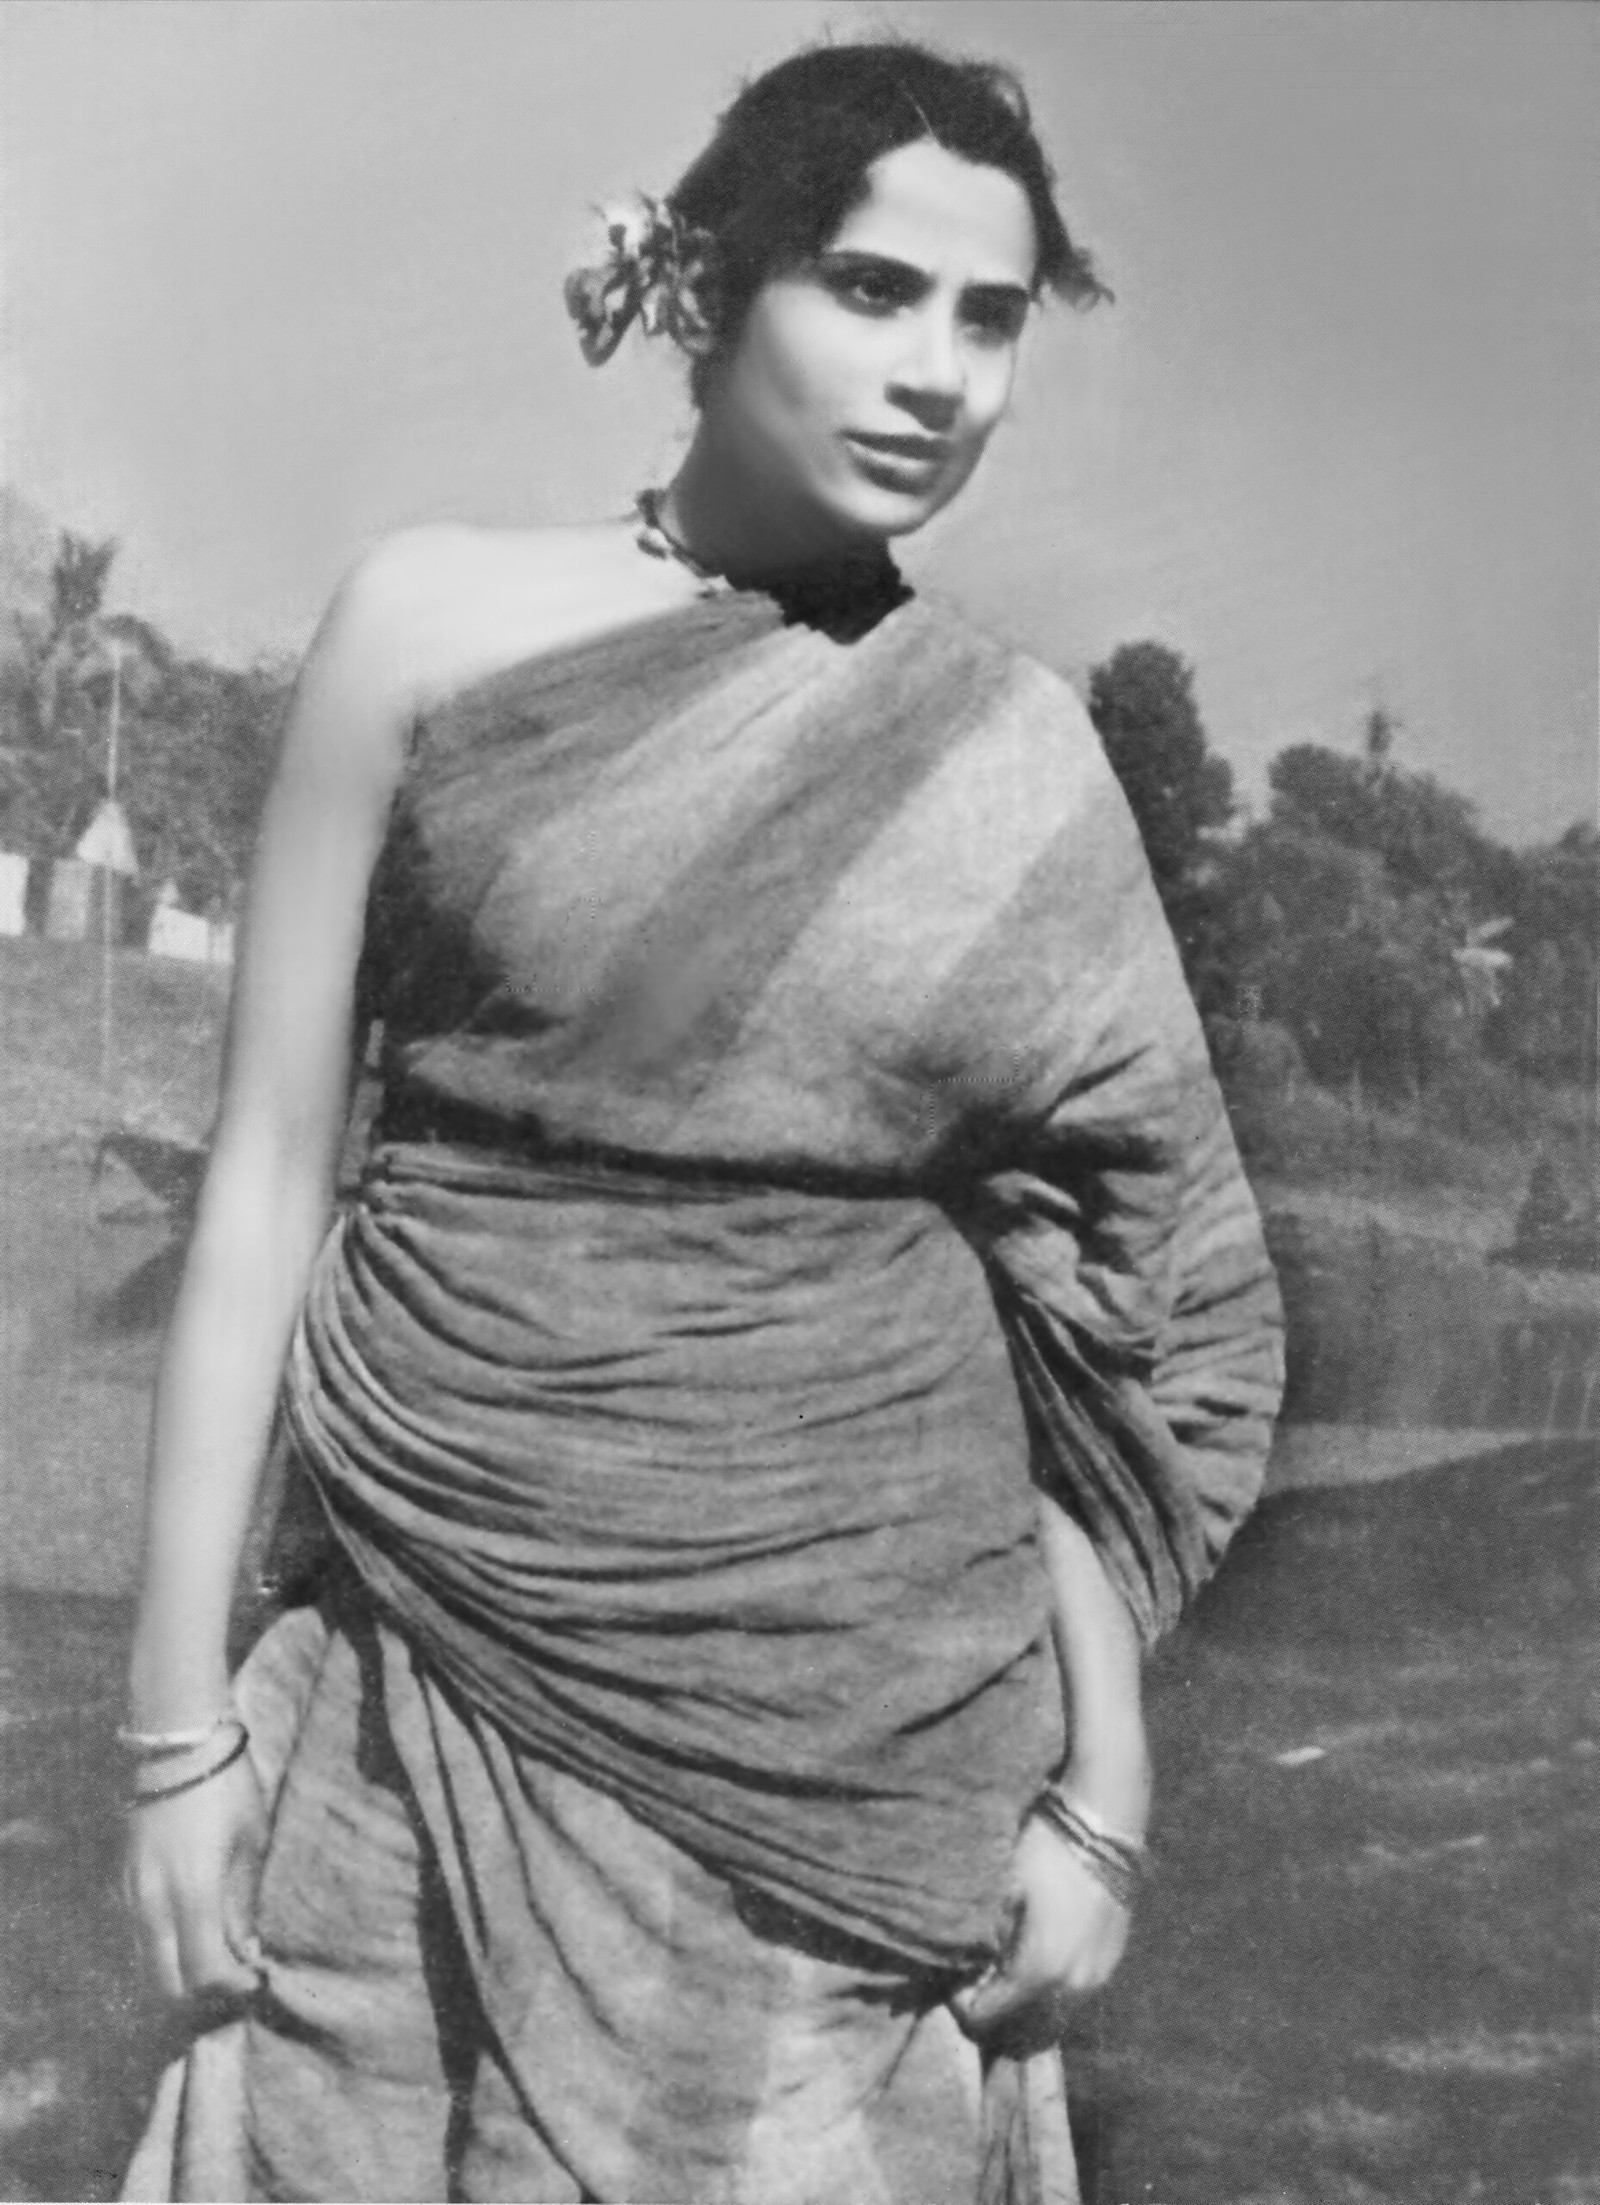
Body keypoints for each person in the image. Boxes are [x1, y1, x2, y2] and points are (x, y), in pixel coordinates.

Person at [121, 39, 1283, 2204]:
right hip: (407, 1676)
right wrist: (176, 1729)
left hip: (853, 1775)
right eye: (871, 286)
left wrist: (1102, 1781)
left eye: (989, 318)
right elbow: (267, 1179)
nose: (933, 371)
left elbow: (1111, 1344)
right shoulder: (427, 628)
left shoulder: (1010, 767)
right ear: (709, 281)